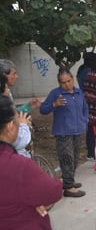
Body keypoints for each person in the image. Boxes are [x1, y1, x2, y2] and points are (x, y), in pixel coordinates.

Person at [0, 95, 63, 229]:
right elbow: (53, 190)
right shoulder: (18, 166)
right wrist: (33, 200)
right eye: (17, 120)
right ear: (10, 126)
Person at [40, 68, 88, 197]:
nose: (67, 84)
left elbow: (84, 108)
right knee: (67, 158)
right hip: (63, 132)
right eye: (63, 82)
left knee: (75, 157)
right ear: (59, 83)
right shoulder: (55, 94)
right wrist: (54, 105)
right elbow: (43, 109)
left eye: (69, 81)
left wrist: (84, 120)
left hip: (77, 131)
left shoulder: (78, 92)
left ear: (72, 79)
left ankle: (69, 180)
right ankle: (68, 187)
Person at [0, 59, 40, 157]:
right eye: (14, 74)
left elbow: (11, 112)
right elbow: (20, 141)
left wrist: (27, 107)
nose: (16, 77)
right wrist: (23, 125)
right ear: (4, 75)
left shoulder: (8, 93)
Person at [75, 52, 96, 159]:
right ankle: (91, 151)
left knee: (91, 127)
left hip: (85, 98)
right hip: (89, 100)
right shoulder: (88, 71)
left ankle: (91, 150)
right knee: (92, 127)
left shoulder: (81, 69)